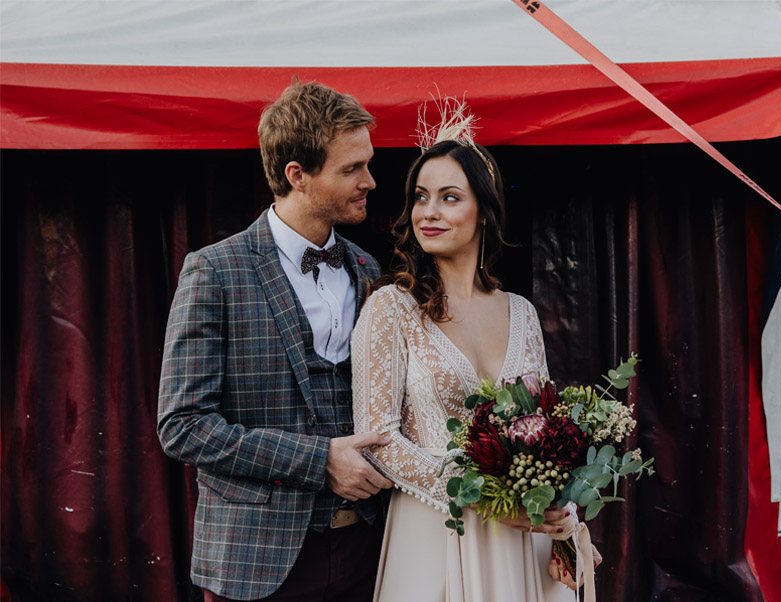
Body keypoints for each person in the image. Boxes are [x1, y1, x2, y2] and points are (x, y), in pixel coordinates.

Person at [351, 100, 600, 602]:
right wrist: (484, 498)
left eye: (449, 197)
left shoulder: (523, 313)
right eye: (421, 197)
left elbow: (552, 438)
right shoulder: (392, 308)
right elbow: (378, 439)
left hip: (524, 542)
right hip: (436, 533)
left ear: (484, 212)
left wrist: (565, 516)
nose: (429, 212)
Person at [157, 80, 394, 602]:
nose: (370, 181)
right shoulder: (214, 271)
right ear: (297, 175)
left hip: (365, 553)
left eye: (367, 164)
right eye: (352, 168)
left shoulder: (366, 269)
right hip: (255, 562)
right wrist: (317, 460)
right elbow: (182, 427)